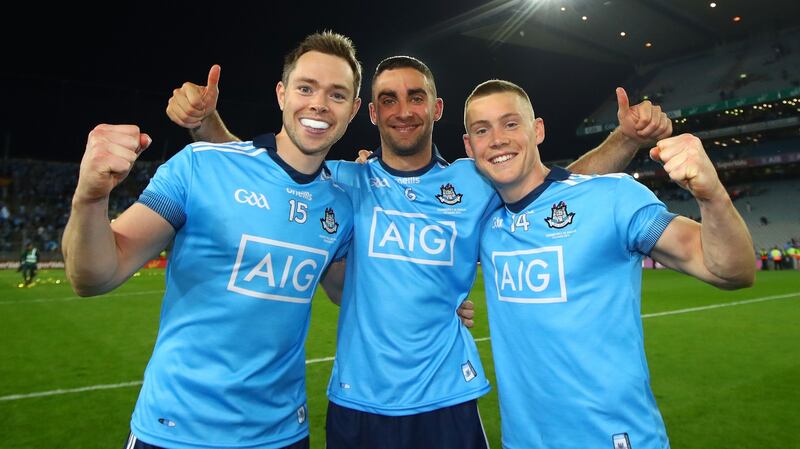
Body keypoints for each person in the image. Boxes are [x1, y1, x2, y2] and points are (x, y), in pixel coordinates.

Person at [167, 57, 672, 448]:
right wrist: (206, 123)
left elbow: (558, 189)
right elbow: (255, 175)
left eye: (415, 97)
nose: (402, 110)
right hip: (358, 401)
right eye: (388, 99)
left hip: (447, 398)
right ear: (371, 113)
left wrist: (625, 139)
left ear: (437, 108)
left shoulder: (474, 182)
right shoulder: (343, 181)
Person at [62, 31, 362, 449]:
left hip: (281, 435)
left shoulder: (343, 205)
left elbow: (350, 291)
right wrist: (90, 198)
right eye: (305, 88)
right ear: (281, 94)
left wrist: (440, 299)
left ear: (353, 110)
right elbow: (94, 276)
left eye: (337, 94)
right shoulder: (200, 166)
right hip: (174, 431)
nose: (318, 104)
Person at [462, 79, 755, 449]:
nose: (498, 139)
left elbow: (731, 270)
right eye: (482, 130)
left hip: (614, 439)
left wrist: (710, 194)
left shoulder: (614, 198)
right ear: (469, 147)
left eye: (510, 123)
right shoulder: (485, 223)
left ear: (537, 130)